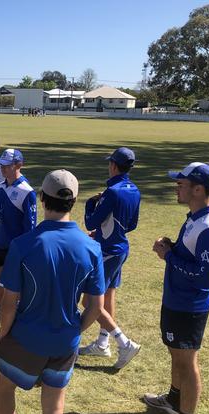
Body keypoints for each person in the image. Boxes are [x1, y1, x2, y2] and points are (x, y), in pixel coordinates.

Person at [0, 169, 105, 414]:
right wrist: (75, 329)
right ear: (74, 202)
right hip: (63, 342)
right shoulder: (91, 247)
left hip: (23, 337)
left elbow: (7, 301)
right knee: (54, 406)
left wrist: (4, 335)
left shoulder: (25, 243)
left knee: (5, 387)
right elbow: (96, 307)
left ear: (41, 198)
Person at [145, 162, 209, 414]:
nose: (176, 187)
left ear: (198, 188)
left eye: (181, 184)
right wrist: (172, 246)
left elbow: (203, 277)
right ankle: (173, 398)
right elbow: (190, 257)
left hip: (190, 306)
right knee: (176, 354)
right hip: (176, 300)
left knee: (187, 361)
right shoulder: (195, 217)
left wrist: (168, 256)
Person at [79, 147, 142, 369]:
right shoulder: (134, 189)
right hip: (121, 248)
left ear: (113, 165)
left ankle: (124, 343)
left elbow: (90, 222)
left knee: (89, 302)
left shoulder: (112, 191)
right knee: (108, 295)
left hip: (106, 252)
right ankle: (103, 343)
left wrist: (89, 203)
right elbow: (131, 224)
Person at [0, 149, 36, 323]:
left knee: (13, 282)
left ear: (18, 165)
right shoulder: (0, 186)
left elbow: (30, 226)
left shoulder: (26, 191)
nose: (3, 168)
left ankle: (16, 311)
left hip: (15, 246)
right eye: (2, 165)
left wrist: (25, 250)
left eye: (7, 166)